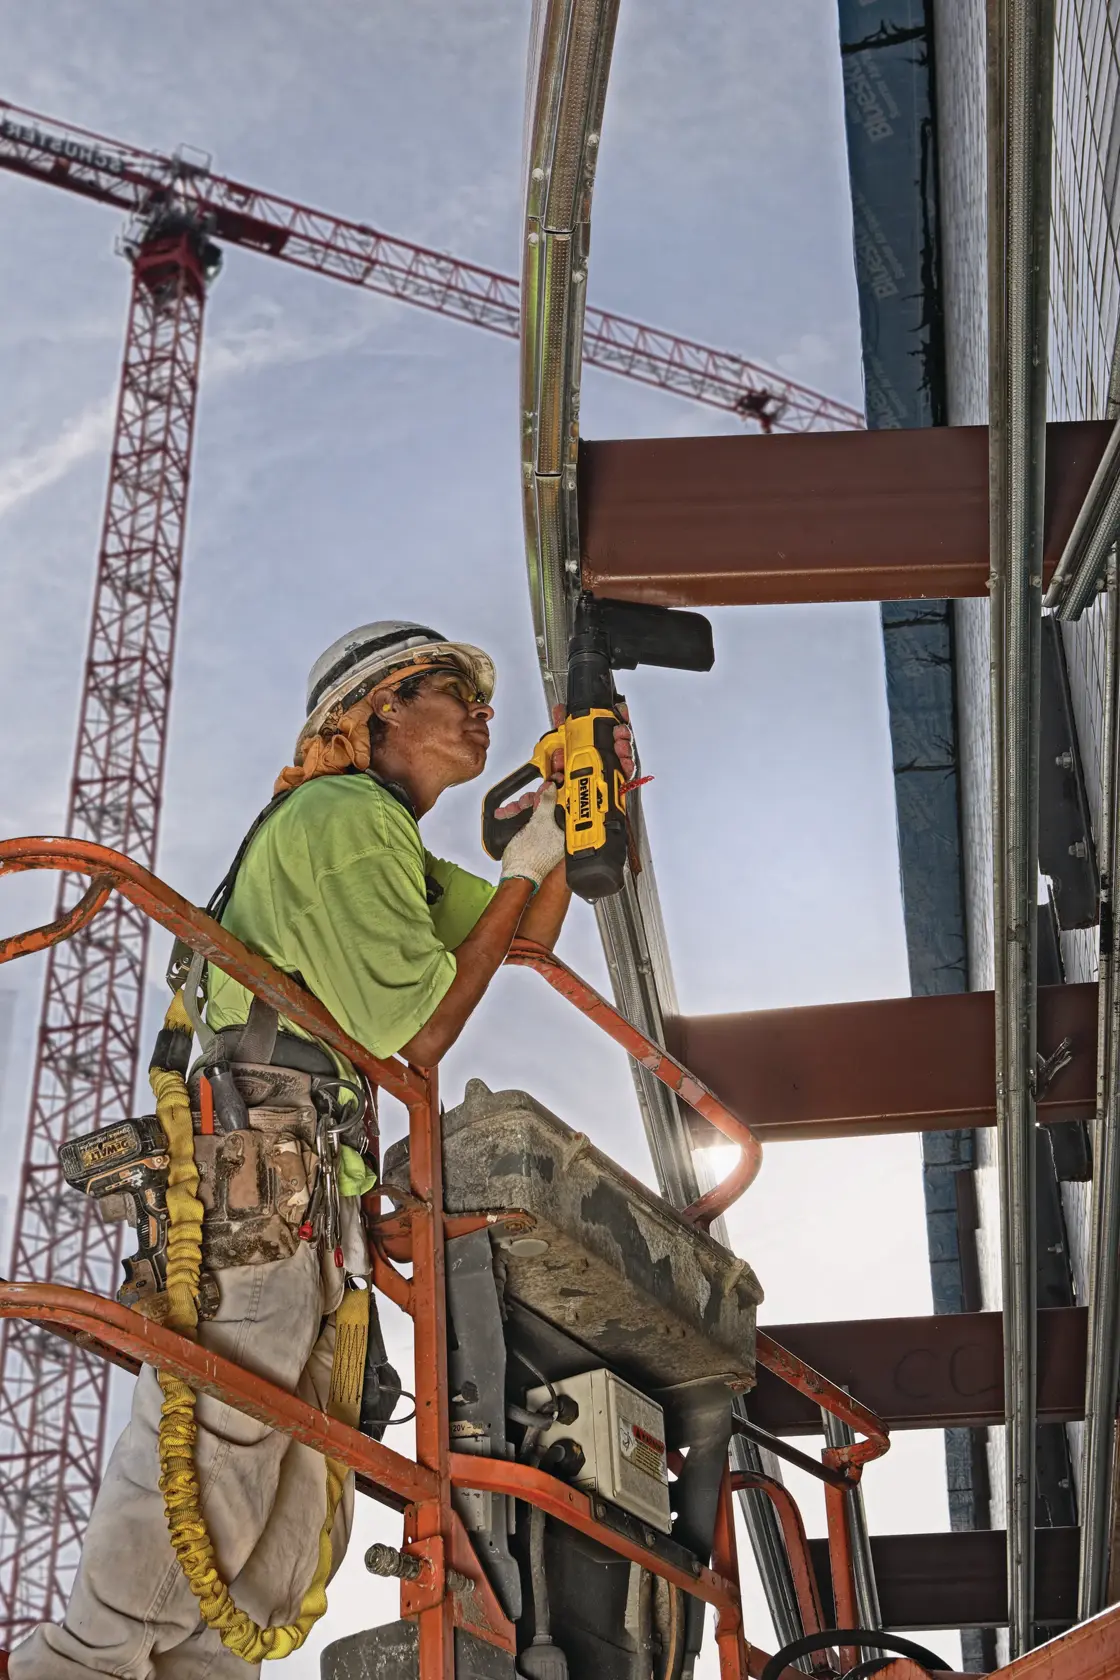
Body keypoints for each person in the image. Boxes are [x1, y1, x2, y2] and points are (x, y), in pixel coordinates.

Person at [10, 621, 633, 1679]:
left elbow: (520, 942)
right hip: (264, 1156)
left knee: (297, 1474)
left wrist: (572, 827)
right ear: (377, 708)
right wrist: (531, 859)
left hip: (309, 1179)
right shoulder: (340, 816)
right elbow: (420, 1029)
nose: (482, 710)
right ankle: (81, 1668)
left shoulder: (386, 839)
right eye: (452, 688)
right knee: (229, 1435)